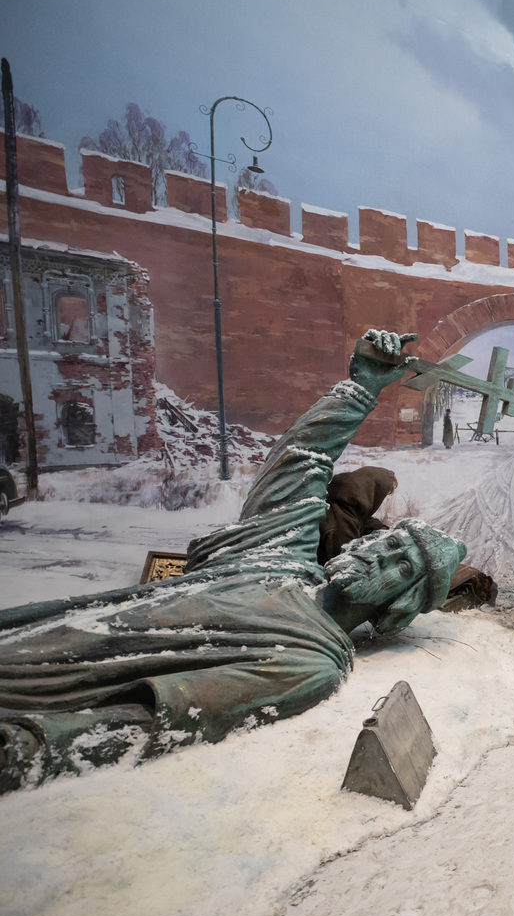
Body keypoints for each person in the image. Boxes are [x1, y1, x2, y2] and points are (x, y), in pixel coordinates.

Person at [0, 330, 468, 792]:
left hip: (52, 689)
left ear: (398, 607)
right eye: (387, 544)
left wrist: (32, 748)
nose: (378, 556)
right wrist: (361, 389)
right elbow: (301, 459)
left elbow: (166, 715)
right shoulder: (281, 553)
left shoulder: (309, 660)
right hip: (37, 633)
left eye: (401, 567)